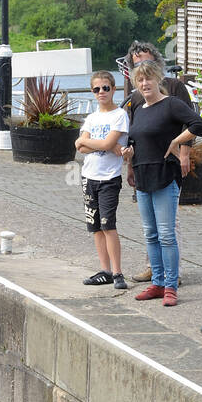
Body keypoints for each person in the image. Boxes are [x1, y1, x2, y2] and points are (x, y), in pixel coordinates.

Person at [119, 60, 202, 307]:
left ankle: (170, 285)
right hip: (143, 178)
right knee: (150, 234)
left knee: (167, 235)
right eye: (140, 80)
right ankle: (156, 283)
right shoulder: (140, 108)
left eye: (148, 78)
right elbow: (138, 142)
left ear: (158, 80)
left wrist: (177, 142)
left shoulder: (171, 105)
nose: (145, 84)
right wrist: (129, 155)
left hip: (165, 176)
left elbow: (199, 125)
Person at [75, 71, 130, 291]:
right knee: (95, 227)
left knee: (108, 225)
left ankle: (117, 272)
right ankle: (104, 270)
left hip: (109, 178)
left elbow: (104, 144)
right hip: (89, 177)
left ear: (113, 89)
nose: (101, 93)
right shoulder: (92, 117)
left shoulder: (119, 115)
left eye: (105, 88)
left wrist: (92, 143)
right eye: (96, 89)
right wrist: (103, 144)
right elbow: (79, 146)